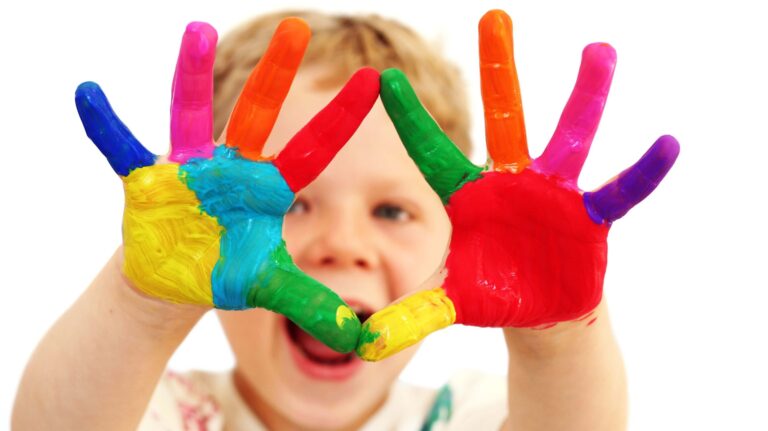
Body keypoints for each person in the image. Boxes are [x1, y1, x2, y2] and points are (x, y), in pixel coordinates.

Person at [11, 8, 676, 430]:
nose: (344, 245)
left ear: (454, 246)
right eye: (294, 203)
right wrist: (140, 304)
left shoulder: (460, 416)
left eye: (392, 209)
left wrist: (556, 334)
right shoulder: (163, 411)